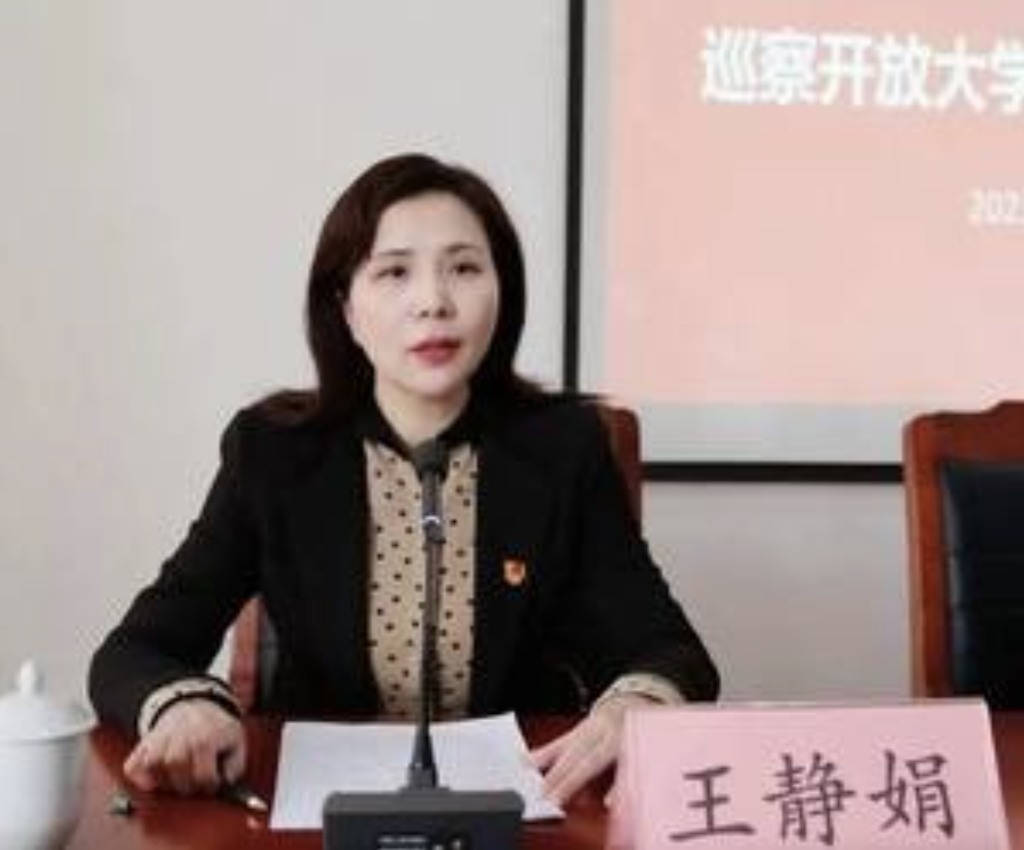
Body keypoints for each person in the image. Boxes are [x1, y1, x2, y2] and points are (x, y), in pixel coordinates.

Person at [88, 152, 719, 806]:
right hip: (321, 815)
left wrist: (636, 705)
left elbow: (669, 650)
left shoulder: (564, 448)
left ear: (502, 291)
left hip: (519, 807)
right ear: (346, 308)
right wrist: (186, 706)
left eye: (464, 269)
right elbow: (137, 650)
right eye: (394, 272)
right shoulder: (274, 452)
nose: (434, 302)